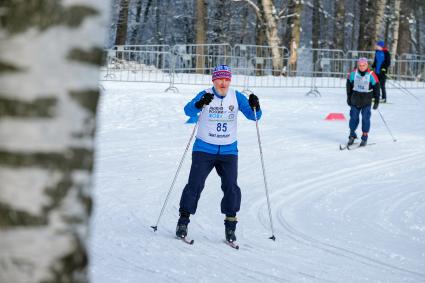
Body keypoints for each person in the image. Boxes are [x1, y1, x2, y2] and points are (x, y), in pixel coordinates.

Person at [176, 65, 262, 243]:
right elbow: (188, 110)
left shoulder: (236, 96)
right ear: (213, 80)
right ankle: (183, 222)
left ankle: (230, 226)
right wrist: (199, 104)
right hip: (204, 149)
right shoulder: (206, 94)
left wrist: (256, 105)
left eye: (226, 79)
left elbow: (254, 116)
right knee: (195, 185)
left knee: (231, 187)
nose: (223, 83)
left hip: (228, 150)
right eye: (219, 79)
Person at [346, 57, 380, 147]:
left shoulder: (372, 74)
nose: (361, 67)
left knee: (365, 119)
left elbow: (377, 88)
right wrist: (348, 97)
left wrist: (377, 100)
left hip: (366, 101)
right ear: (358, 65)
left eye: (363, 65)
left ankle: (364, 137)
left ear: (367, 65)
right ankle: (352, 135)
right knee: (353, 118)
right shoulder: (353, 73)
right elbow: (348, 85)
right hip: (355, 99)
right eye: (360, 65)